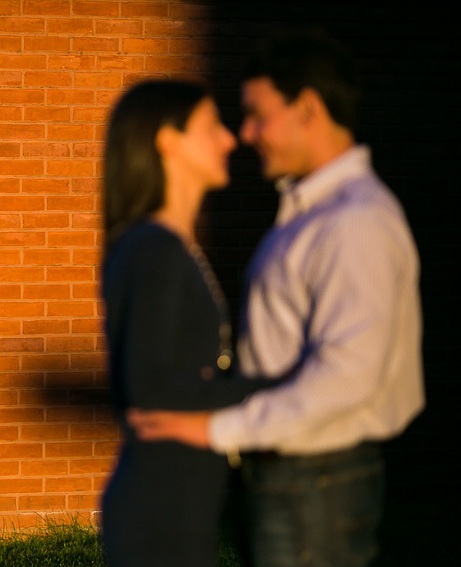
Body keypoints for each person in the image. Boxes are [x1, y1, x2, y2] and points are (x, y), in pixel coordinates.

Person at [128, 31, 424, 567]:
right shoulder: (311, 212)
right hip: (297, 476)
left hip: (317, 479)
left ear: (308, 108)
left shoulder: (353, 222)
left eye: (258, 115)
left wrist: (217, 429)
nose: (246, 134)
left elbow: (350, 373)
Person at [99, 80, 281, 566]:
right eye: (210, 127)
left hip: (175, 496)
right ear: (167, 141)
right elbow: (150, 386)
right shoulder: (155, 250)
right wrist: (273, 387)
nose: (229, 139)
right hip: (161, 504)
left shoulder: (160, 246)